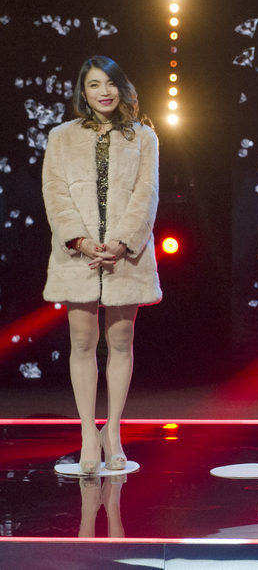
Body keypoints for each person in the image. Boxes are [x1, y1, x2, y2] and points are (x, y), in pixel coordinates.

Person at [42, 56, 162, 475]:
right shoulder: (61, 137)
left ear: (122, 88)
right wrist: (80, 240)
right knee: (82, 342)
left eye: (110, 83)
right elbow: (55, 193)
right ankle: (87, 434)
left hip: (124, 255)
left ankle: (113, 431)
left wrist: (121, 242)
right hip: (79, 254)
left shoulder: (144, 136)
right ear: (83, 92)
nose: (103, 91)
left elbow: (147, 194)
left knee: (122, 340)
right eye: (94, 85)